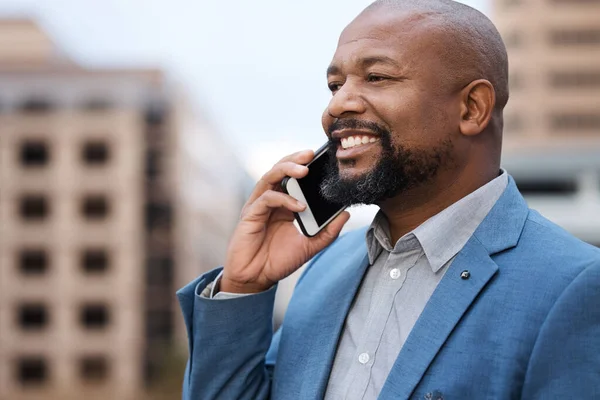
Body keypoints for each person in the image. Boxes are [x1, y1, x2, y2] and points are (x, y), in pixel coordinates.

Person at [177, 0, 600, 398]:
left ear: (472, 109)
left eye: (376, 77)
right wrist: (244, 288)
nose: (338, 104)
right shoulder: (324, 271)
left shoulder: (576, 288)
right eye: (334, 84)